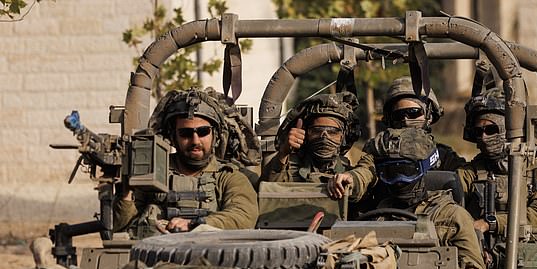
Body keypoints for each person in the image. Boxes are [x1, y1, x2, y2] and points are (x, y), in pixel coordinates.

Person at [338, 127, 488, 269]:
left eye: (406, 171)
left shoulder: (453, 217)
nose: (399, 181)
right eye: (390, 173)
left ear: (425, 168)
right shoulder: (377, 218)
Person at [113, 88, 258, 238]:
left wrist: (195, 224)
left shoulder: (228, 177)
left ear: (215, 135)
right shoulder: (153, 172)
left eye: (203, 132)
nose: (195, 141)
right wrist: (126, 194)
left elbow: (243, 216)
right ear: (173, 137)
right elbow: (119, 226)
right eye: (185, 133)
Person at [457, 87, 537, 237]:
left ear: (509, 130)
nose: (484, 137)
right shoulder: (468, 174)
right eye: (479, 132)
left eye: (491, 129)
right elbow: (449, 210)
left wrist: (490, 224)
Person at [260, 91, 375, 202]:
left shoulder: (349, 170)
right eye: (316, 131)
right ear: (305, 134)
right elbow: (270, 191)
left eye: (333, 132)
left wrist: (350, 179)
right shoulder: (289, 167)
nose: (324, 137)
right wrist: (283, 153)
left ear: (343, 137)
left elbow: (365, 175)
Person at [382, 76, 466, 171]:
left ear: (429, 115)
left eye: (413, 112)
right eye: (398, 115)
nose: (405, 120)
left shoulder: (444, 158)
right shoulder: (380, 153)